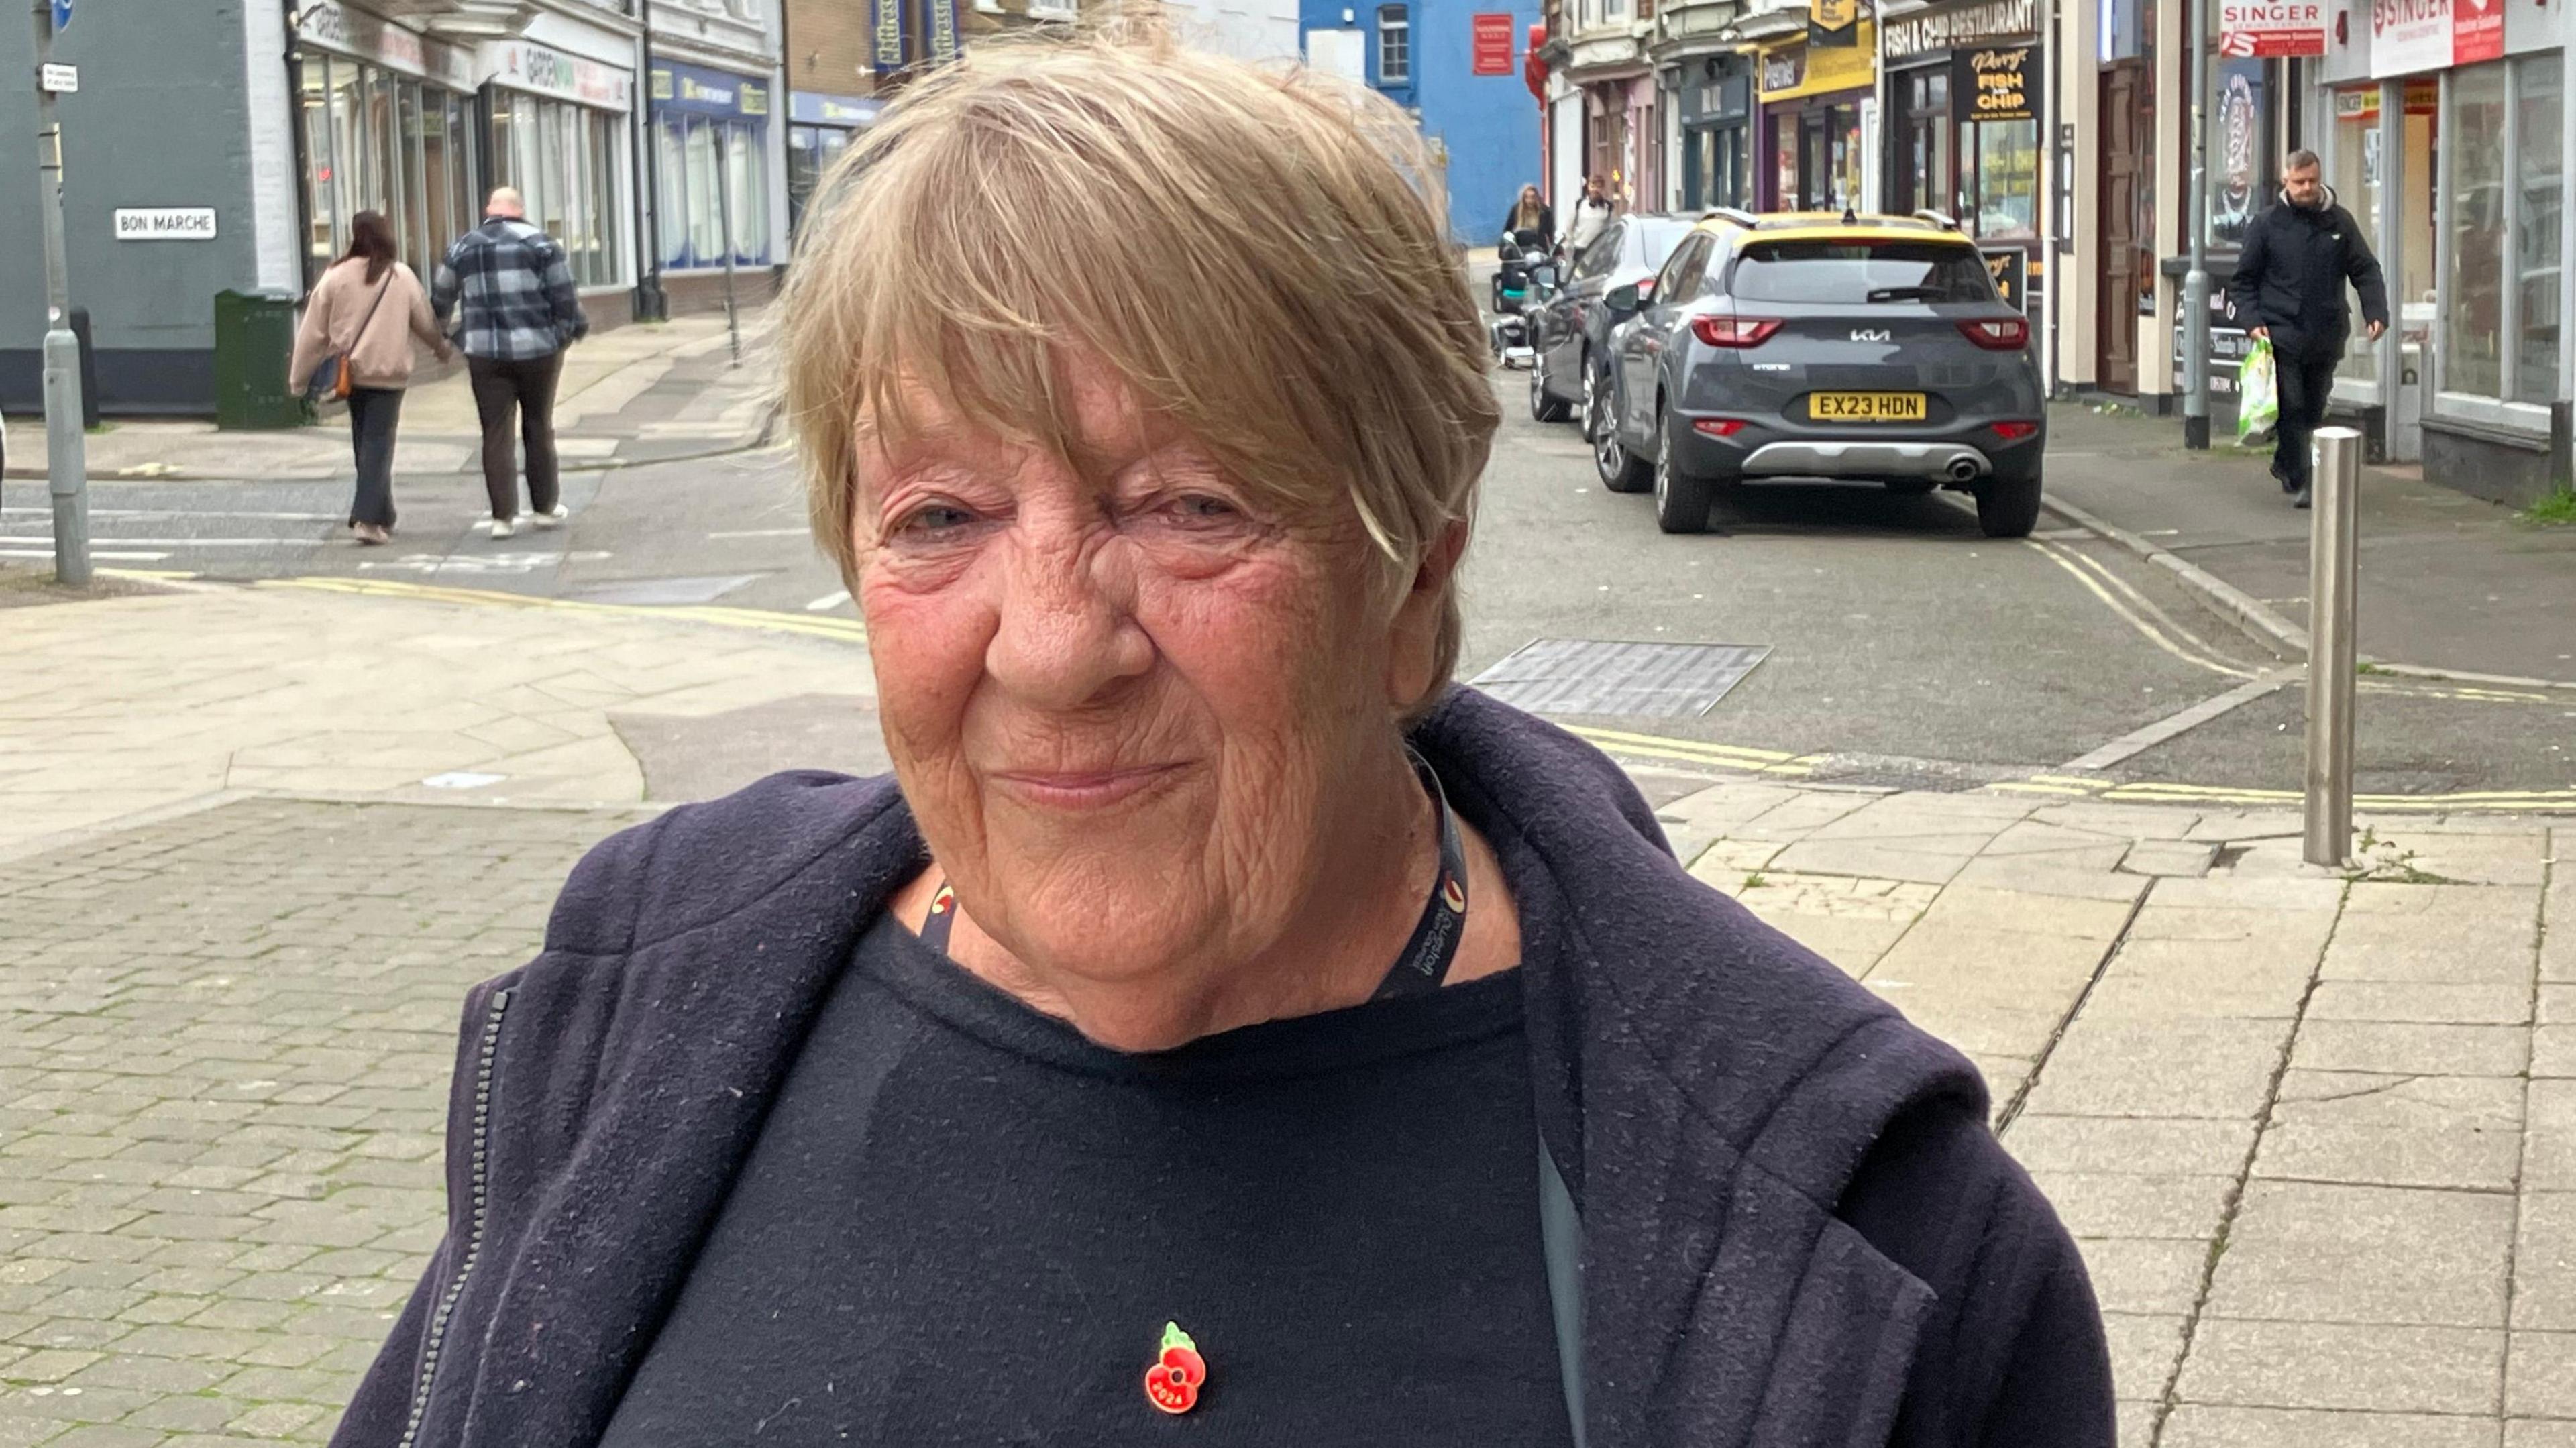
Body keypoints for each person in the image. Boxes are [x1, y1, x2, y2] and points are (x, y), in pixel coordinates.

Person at [330, 38, 2112, 1448]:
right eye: (939, 513)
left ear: (1418, 559)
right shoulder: (638, 1010)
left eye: (1186, 502)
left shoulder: (1873, 1227)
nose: (1051, 643)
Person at [2225, 148, 2388, 508]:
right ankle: (2304, 480)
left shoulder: (2339, 222)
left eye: (2313, 180)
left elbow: (2365, 269)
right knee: (2292, 404)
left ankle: (2287, 462)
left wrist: (2375, 310)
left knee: (2314, 407)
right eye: (2300, 182)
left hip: (2327, 331)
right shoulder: (2266, 225)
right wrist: (2253, 322)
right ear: (2286, 180)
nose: (2307, 188)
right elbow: (2243, 282)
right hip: (2280, 331)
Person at [286, 211, 453, 545]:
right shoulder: (399, 276)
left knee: (365, 442)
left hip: (352, 374)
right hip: (389, 374)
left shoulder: (335, 277)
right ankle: (366, 519)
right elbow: (423, 319)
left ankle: (383, 512)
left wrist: (299, 378)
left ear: (354, 235)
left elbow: (313, 332)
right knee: (378, 444)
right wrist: (440, 347)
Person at [433, 186, 587, 540]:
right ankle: (545, 508)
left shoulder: (463, 246)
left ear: (491, 208)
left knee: (496, 431)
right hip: (539, 351)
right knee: (538, 424)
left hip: (485, 353)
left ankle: (503, 518)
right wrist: (568, 332)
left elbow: (441, 295)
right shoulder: (542, 244)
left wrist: (446, 334)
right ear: (519, 209)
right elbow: (564, 296)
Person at [1561, 173, 1613, 258]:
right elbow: (1569, 227)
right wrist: (1571, 245)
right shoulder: (1579, 204)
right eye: (1593, 186)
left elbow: (1610, 227)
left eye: (1599, 187)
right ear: (1588, 187)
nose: (1595, 190)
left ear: (1603, 188)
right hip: (1581, 249)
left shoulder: (1608, 207)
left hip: (1599, 251)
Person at [1502, 181, 1554, 251]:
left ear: (1537, 197)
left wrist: (1554, 249)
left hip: (1538, 247)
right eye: (1527, 197)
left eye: (1533, 197)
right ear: (1523, 198)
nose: (1530, 201)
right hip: (1519, 247)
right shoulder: (1516, 209)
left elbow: (1550, 232)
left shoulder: (1545, 212)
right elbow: (1507, 230)